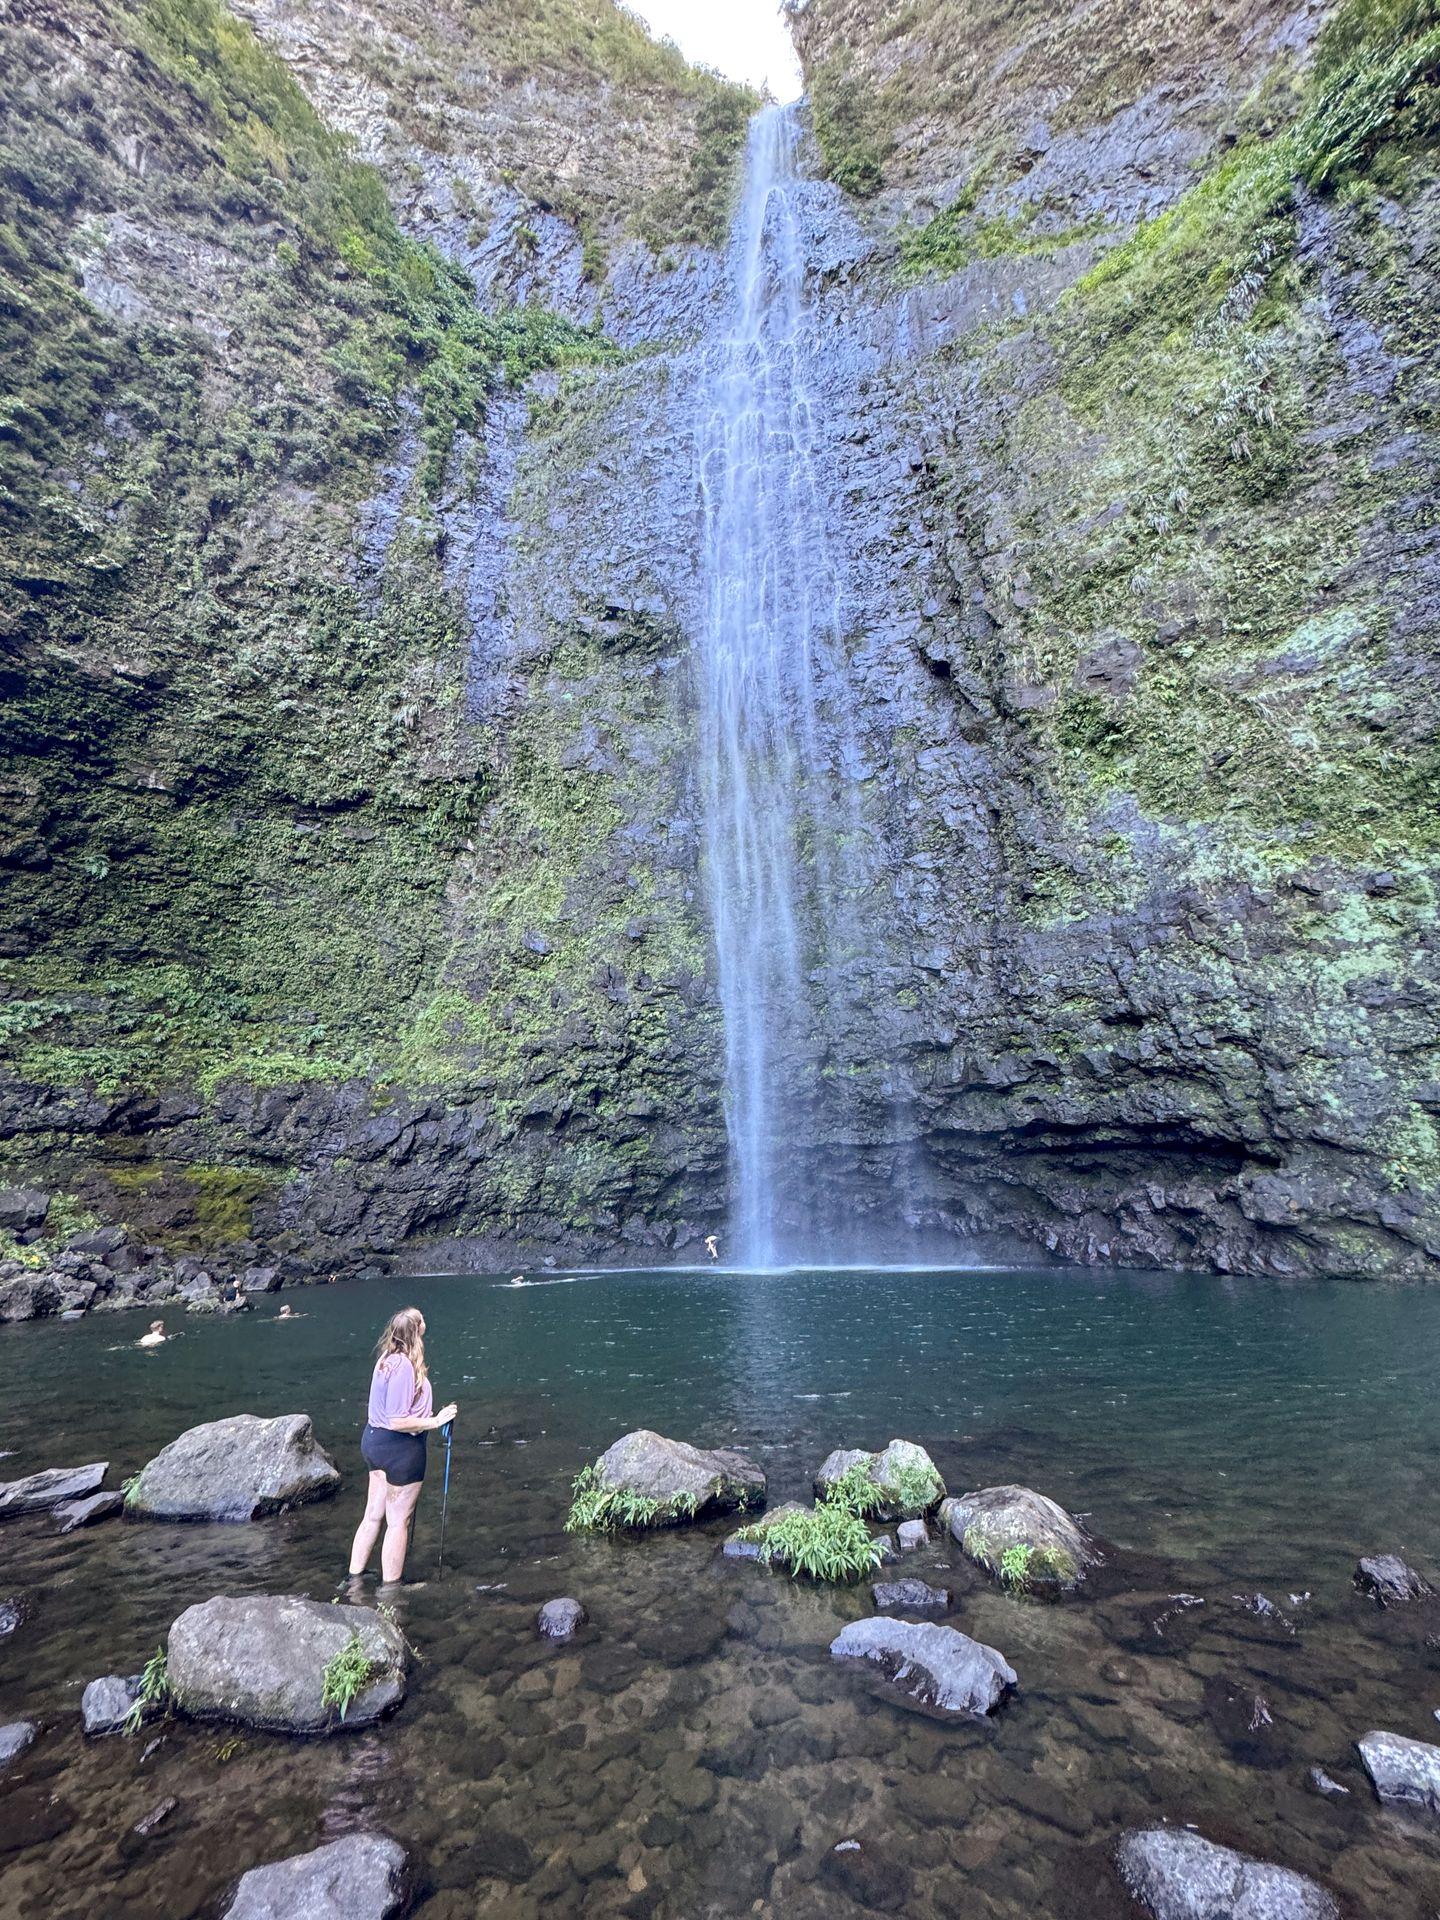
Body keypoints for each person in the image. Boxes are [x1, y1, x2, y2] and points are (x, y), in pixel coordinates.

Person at [348, 1307, 457, 1585]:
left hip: (373, 1442)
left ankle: (354, 1580)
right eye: (422, 1320)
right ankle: (391, 1591)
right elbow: (397, 1420)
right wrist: (436, 1421)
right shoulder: (404, 1367)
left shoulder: (385, 1359)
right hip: (399, 1448)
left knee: (372, 1515)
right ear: (417, 1330)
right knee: (397, 1522)